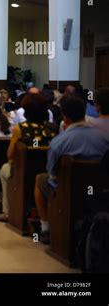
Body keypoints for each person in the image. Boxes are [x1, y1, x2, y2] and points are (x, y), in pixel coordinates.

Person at [34, 95, 109, 244]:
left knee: (40, 179)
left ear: (65, 116)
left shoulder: (59, 141)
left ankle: (45, 228)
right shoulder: (104, 138)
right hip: (99, 189)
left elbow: (52, 173)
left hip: (67, 190)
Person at [0, 93, 58, 222]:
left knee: (3, 170)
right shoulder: (52, 128)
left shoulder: (20, 129)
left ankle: (8, 211)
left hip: (25, 169)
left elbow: (10, 154)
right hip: (48, 169)